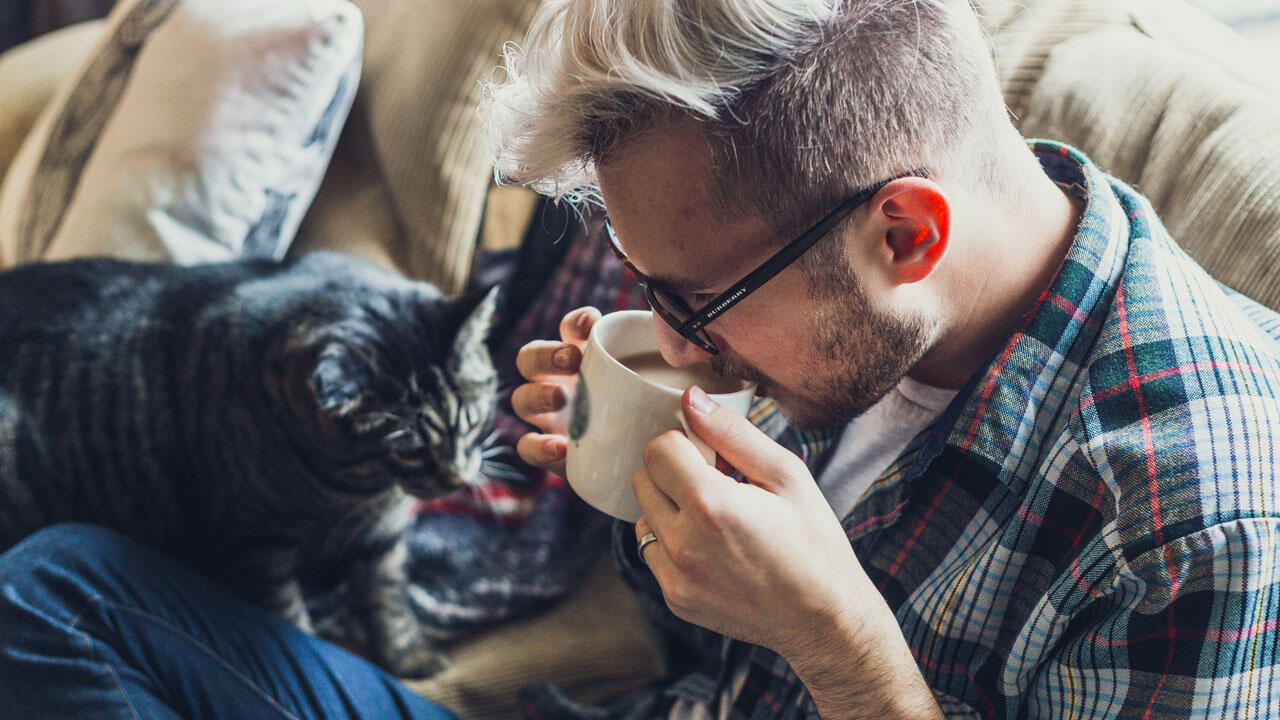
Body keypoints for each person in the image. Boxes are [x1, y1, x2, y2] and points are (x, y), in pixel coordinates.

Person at [487, 0, 1280, 718]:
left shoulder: (1194, 527)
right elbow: (715, 651)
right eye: (651, 292)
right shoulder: (857, 302)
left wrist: (839, 645)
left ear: (906, 235)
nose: (673, 348)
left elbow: (814, 645)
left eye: (698, 304)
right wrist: (647, 481)